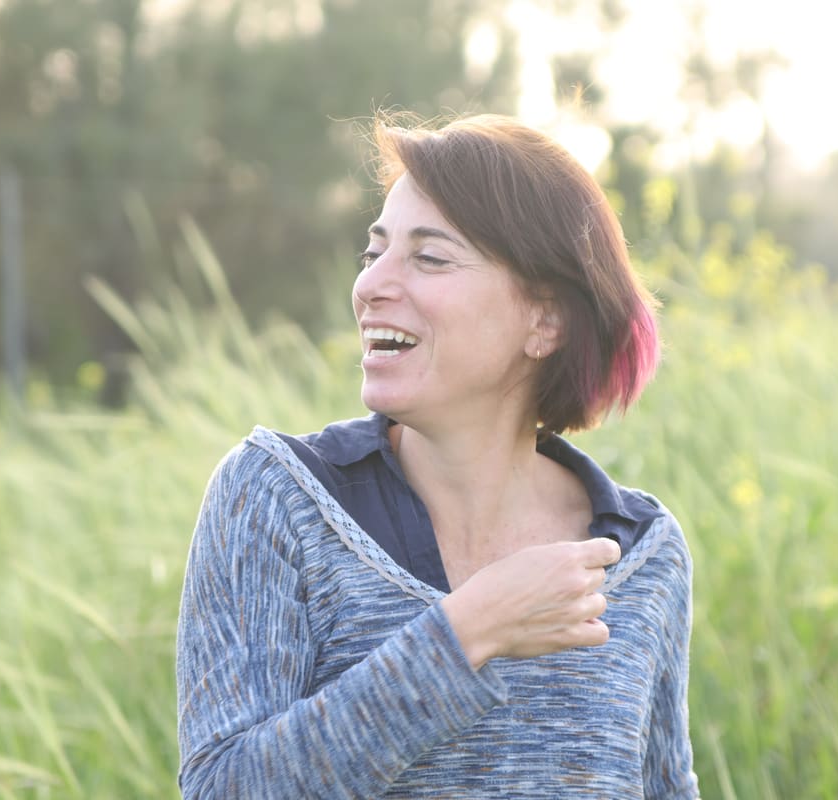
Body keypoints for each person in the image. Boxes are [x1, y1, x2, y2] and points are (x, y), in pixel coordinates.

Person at [175, 113, 698, 799]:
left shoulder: (641, 557)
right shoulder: (276, 499)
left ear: (544, 320)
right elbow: (222, 789)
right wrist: (465, 633)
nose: (370, 287)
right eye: (375, 252)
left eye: (429, 257)